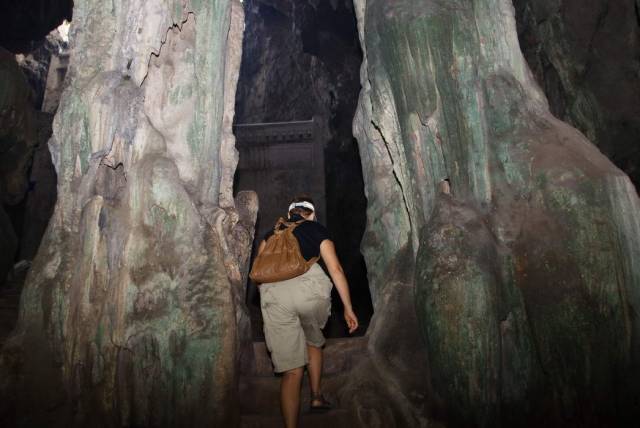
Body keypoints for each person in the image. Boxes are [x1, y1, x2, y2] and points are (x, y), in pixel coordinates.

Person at [255, 195, 359, 428]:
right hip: (308, 290)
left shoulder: (271, 235)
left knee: (292, 370)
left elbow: (258, 272)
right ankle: (316, 397)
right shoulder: (316, 229)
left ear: (290, 213)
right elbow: (336, 269)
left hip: (275, 295)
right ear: (312, 214)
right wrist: (348, 308)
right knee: (313, 341)